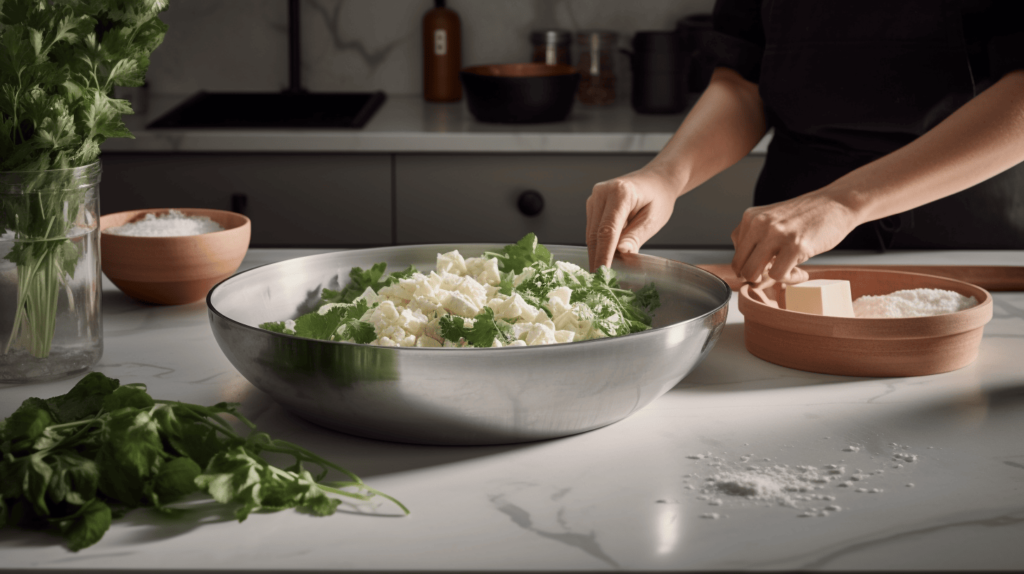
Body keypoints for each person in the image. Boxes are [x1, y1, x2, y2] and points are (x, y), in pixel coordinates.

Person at [585, 0, 1024, 284]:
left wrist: (844, 202)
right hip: (790, 239)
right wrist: (665, 176)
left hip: (968, 229)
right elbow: (744, 78)